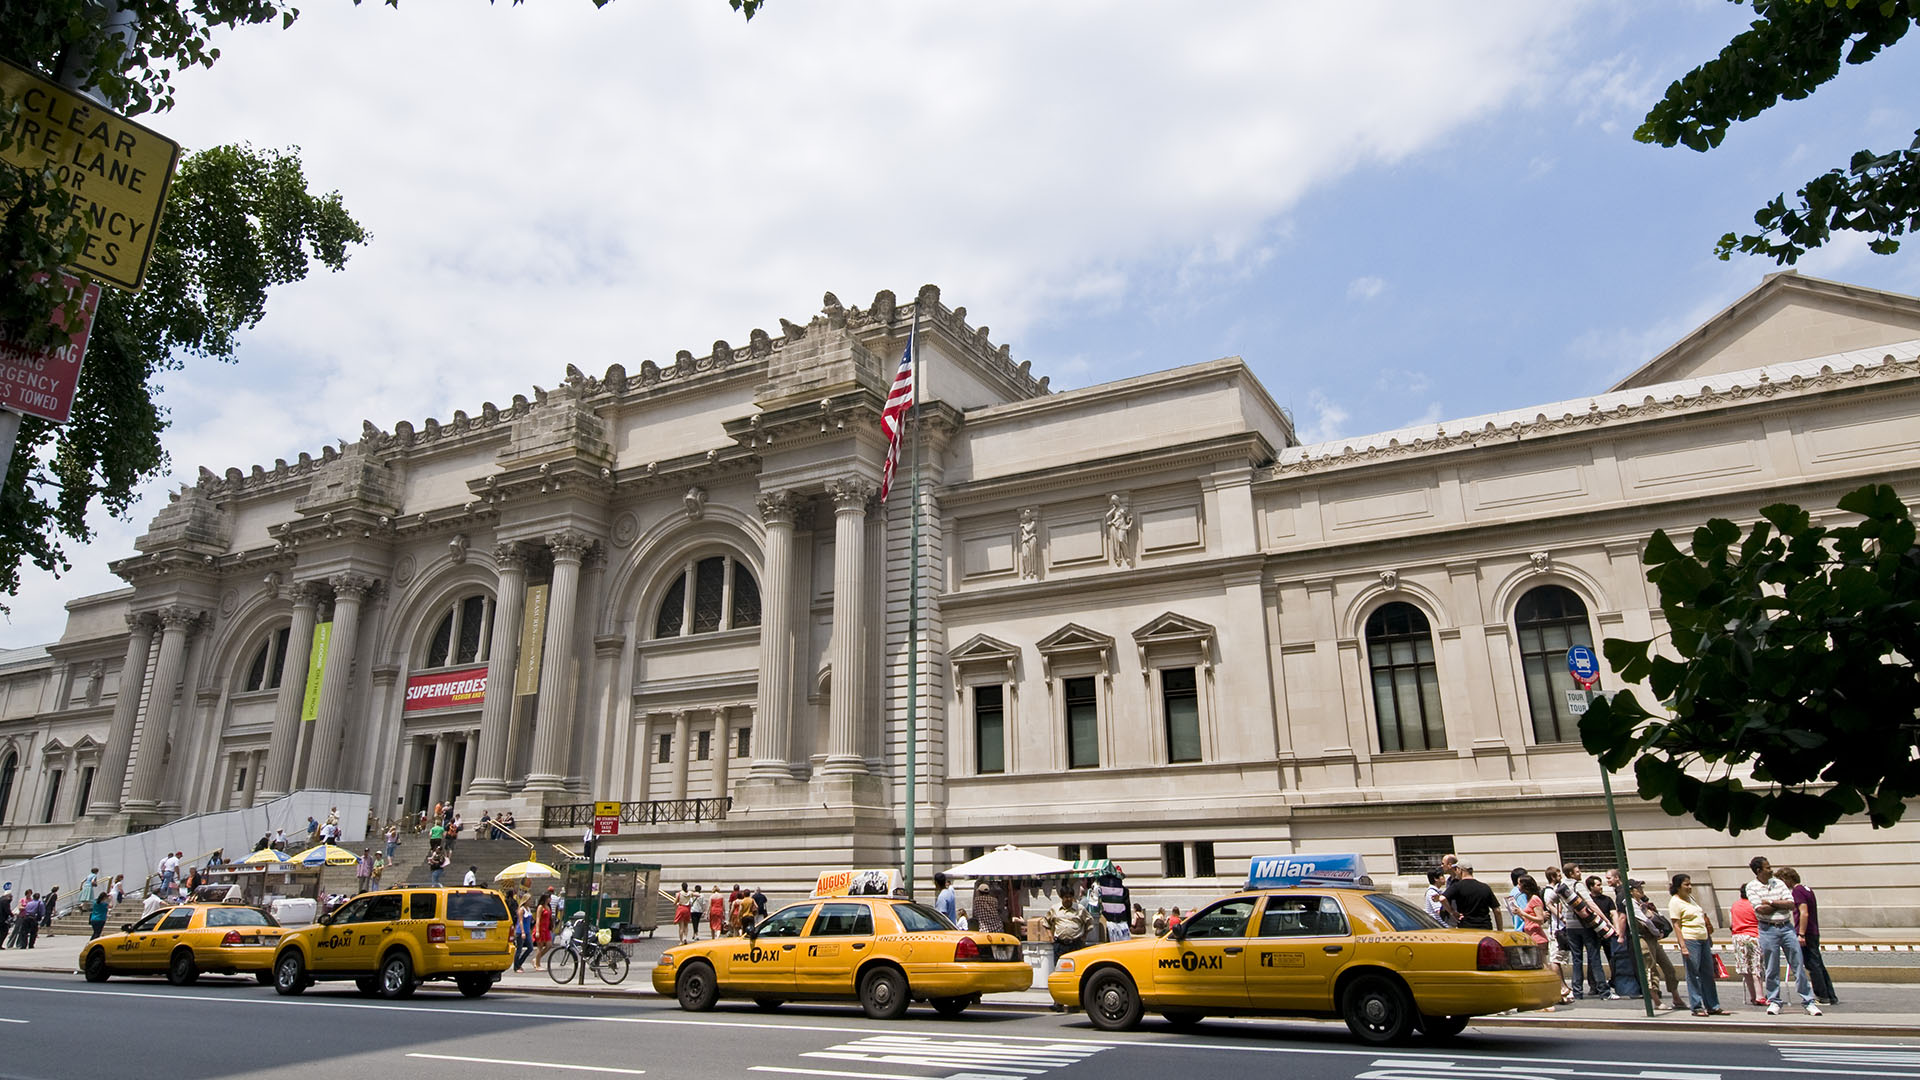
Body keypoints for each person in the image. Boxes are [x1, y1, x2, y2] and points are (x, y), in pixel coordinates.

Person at [1750, 855, 1820, 1016]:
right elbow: (1759, 909)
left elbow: (1791, 904)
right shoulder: (1752, 887)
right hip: (1767, 929)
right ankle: (1774, 1001)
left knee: (1798, 965)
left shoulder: (1779, 883)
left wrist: (1771, 903)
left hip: (1787, 927)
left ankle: (1808, 1001)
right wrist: (1778, 904)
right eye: (1767, 867)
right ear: (1759, 870)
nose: (1771, 870)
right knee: (1771, 967)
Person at [1777, 867, 1838, 1006]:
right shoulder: (1807, 889)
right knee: (1818, 964)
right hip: (1813, 931)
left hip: (1807, 932)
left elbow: (1803, 913)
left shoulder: (1797, 891)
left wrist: (1801, 934)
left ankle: (1822, 996)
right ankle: (1830, 995)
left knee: (1812, 965)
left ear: (1787, 879)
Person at [1669, 873, 1728, 1017]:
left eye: (1690, 884)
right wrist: (1683, 946)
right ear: (1678, 887)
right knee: (1693, 974)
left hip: (1703, 939)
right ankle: (1696, 1006)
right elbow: (1676, 925)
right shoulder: (1675, 902)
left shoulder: (1691, 899)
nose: (1689, 887)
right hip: (1690, 940)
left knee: (1707, 973)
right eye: (1686, 885)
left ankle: (1713, 1005)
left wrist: (1708, 937)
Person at [1555, 864, 1612, 999]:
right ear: (1571, 873)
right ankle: (1604, 991)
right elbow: (1590, 904)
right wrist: (1605, 921)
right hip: (1584, 925)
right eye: (1577, 871)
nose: (1580, 873)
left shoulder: (1560, 886)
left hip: (1570, 926)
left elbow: (1553, 902)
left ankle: (1577, 991)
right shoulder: (1577, 885)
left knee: (1577, 959)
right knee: (1594, 957)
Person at [1628, 879, 1685, 1011]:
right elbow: (1645, 921)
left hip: (1652, 938)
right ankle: (1656, 1001)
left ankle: (1676, 997)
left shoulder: (1643, 902)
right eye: (1638, 889)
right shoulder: (1630, 904)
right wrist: (1657, 932)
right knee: (1650, 969)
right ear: (1631, 891)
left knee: (1668, 967)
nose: (1641, 891)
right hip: (1643, 938)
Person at [1729, 882, 1765, 1006]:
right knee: (1756, 967)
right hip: (1754, 936)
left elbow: (1731, 924)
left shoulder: (1735, 905)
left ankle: (1753, 996)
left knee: (1745, 968)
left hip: (1738, 937)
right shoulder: (1755, 905)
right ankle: (1760, 995)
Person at [1445, 864, 1499, 930]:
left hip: (1466, 928)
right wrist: (1500, 929)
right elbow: (1497, 910)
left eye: (1456, 869)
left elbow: (1442, 898)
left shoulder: (1457, 886)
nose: (1455, 872)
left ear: (1460, 870)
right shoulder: (1485, 887)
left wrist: (1452, 912)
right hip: (1485, 927)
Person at [1045, 888, 1086, 962]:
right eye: (1066, 897)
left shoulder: (1080, 909)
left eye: (1070, 897)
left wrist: (1084, 936)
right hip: (1060, 945)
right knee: (1060, 967)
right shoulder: (1055, 909)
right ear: (1061, 897)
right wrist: (1050, 937)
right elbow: (1046, 923)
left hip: (1075, 944)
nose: (1069, 899)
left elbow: (1089, 923)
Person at [1098, 866, 1132, 941]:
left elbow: (1127, 907)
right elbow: (1127, 907)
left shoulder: (1101, 888)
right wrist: (1129, 924)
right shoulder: (1124, 890)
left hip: (1110, 923)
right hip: (1116, 923)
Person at [513, 898, 535, 972]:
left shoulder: (528, 909)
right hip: (521, 931)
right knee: (519, 949)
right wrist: (522, 932)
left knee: (530, 948)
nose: (530, 902)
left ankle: (519, 963)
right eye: (529, 900)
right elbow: (520, 921)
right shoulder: (521, 910)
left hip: (528, 931)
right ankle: (516, 967)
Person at [534, 890, 555, 966]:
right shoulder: (541, 907)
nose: (550, 899)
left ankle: (536, 959)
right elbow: (538, 919)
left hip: (546, 928)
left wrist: (551, 927)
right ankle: (537, 964)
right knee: (540, 946)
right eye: (549, 898)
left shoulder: (548, 906)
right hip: (541, 928)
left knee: (549, 945)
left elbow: (550, 918)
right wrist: (537, 931)